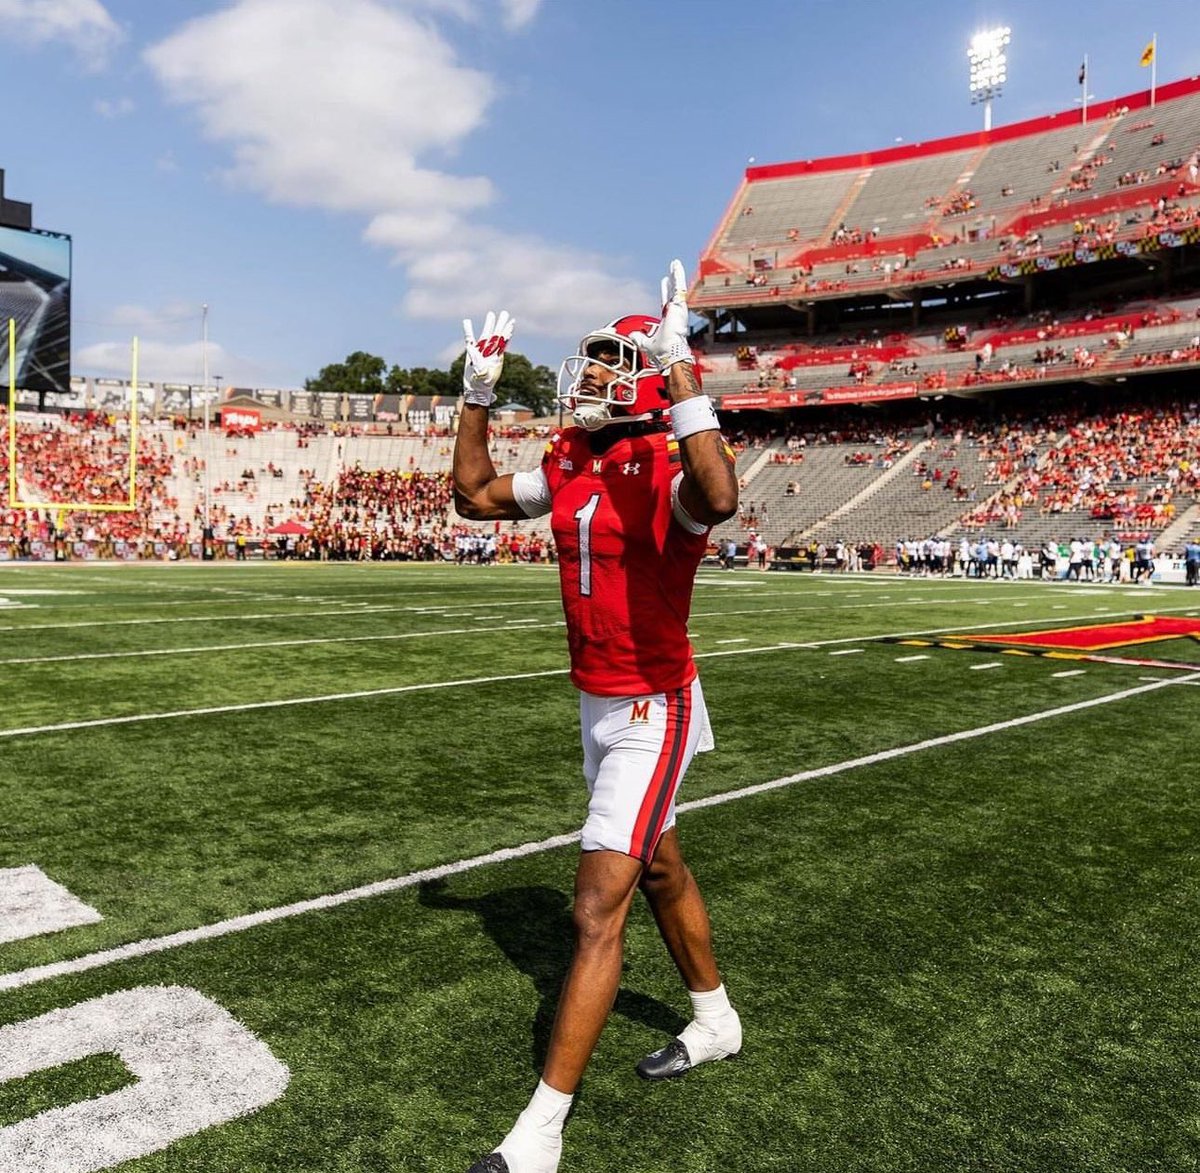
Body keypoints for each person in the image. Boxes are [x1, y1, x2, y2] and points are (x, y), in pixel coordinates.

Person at [452, 260, 743, 1173]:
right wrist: (475, 397)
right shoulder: (573, 457)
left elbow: (720, 498)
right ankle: (716, 1019)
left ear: (651, 378)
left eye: (615, 361)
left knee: (593, 908)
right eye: (596, 359)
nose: (592, 373)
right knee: (660, 868)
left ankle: (541, 1132)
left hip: (654, 702)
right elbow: (475, 495)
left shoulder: (670, 463)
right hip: (598, 700)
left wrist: (682, 364)